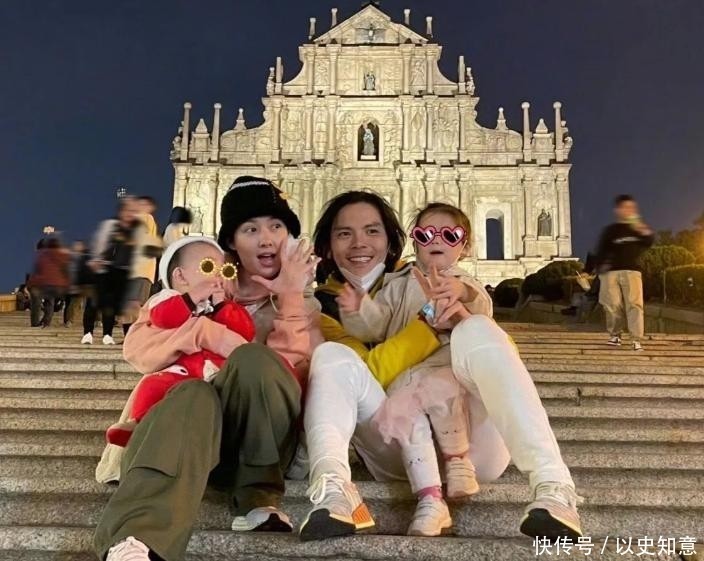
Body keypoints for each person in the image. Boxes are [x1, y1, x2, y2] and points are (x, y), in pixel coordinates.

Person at [302, 191, 582, 543]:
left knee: (477, 328)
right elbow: (371, 368)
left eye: (372, 231)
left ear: (392, 241)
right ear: (327, 247)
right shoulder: (327, 304)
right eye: (344, 233)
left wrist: (463, 315)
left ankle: (554, 485)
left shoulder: (454, 281)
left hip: (474, 442)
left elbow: (498, 352)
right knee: (330, 355)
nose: (359, 243)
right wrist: (425, 327)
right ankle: (333, 489)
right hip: (396, 441)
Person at [93, 176, 321, 561]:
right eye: (251, 229)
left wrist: (290, 298)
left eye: (276, 227)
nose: (266, 239)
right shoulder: (194, 289)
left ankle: (258, 497)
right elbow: (138, 349)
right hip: (184, 438)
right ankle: (136, 541)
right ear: (231, 242)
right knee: (193, 392)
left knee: (254, 359)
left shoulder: (304, 307)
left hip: (259, 447)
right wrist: (201, 330)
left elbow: (289, 378)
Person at [337, 203, 490, 536]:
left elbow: (483, 310)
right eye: (425, 234)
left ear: (464, 247)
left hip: (444, 365)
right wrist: (359, 309)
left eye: (450, 235)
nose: (436, 240)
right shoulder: (397, 284)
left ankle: (458, 461)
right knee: (409, 420)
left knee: (442, 394)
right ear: (415, 241)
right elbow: (376, 326)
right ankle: (430, 497)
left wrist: (461, 292)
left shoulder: (463, 281)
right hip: (405, 374)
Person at [105, 236, 256, 447]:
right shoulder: (166, 297)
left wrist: (223, 306)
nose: (218, 275)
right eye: (208, 267)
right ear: (180, 276)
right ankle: (138, 422)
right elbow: (164, 318)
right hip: (181, 371)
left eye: (224, 270)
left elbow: (244, 330)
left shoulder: (220, 303)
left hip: (217, 369)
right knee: (153, 385)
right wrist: (192, 297)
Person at [594, 195, 654, 351]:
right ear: (618, 210)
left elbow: (649, 241)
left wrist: (640, 226)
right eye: (626, 207)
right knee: (611, 305)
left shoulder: (637, 228)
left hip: (632, 271)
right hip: (611, 272)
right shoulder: (610, 231)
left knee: (635, 305)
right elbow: (601, 250)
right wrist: (600, 269)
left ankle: (636, 339)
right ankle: (615, 335)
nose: (629, 210)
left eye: (631, 207)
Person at [82, 197, 139, 345]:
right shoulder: (110, 225)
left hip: (118, 272)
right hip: (102, 269)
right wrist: (97, 260)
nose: (130, 214)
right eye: (128, 210)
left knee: (109, 305)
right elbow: (99, 244)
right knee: (93, 303)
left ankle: (107, 334)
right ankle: (88, 333)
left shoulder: (133, 231)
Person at [122, 196, 163, 335]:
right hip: (140, 269)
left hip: (141, 269)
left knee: (135, 304)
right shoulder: (143, 219)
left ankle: (134, 335)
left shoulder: (145, 218)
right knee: (133, 304)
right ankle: (132, 335)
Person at [27, 236, 70, 328]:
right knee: (49, 302)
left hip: (39, 283)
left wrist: (30, 284)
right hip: (51, 283)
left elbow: (35, 271)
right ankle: (46, 322)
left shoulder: (39, 256)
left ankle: (35, 323)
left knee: (36, 303)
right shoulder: (57, 255)